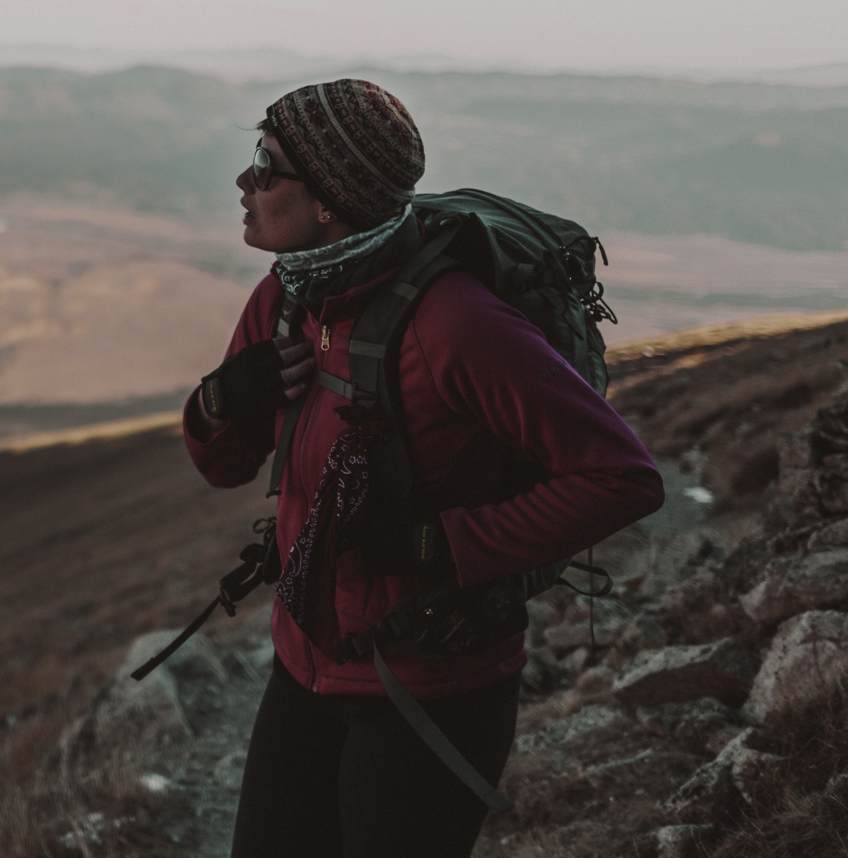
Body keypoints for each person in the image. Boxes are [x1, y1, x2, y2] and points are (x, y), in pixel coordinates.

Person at [183, 79, 663, 858]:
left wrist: (435, 543)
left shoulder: (457, 324)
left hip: (431, 688)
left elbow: (622, 478)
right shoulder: (286, 295)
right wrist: (217, 400)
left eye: (266, 168)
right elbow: (223, 466)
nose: (245, 184)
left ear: (331, 201)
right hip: (305, 665)